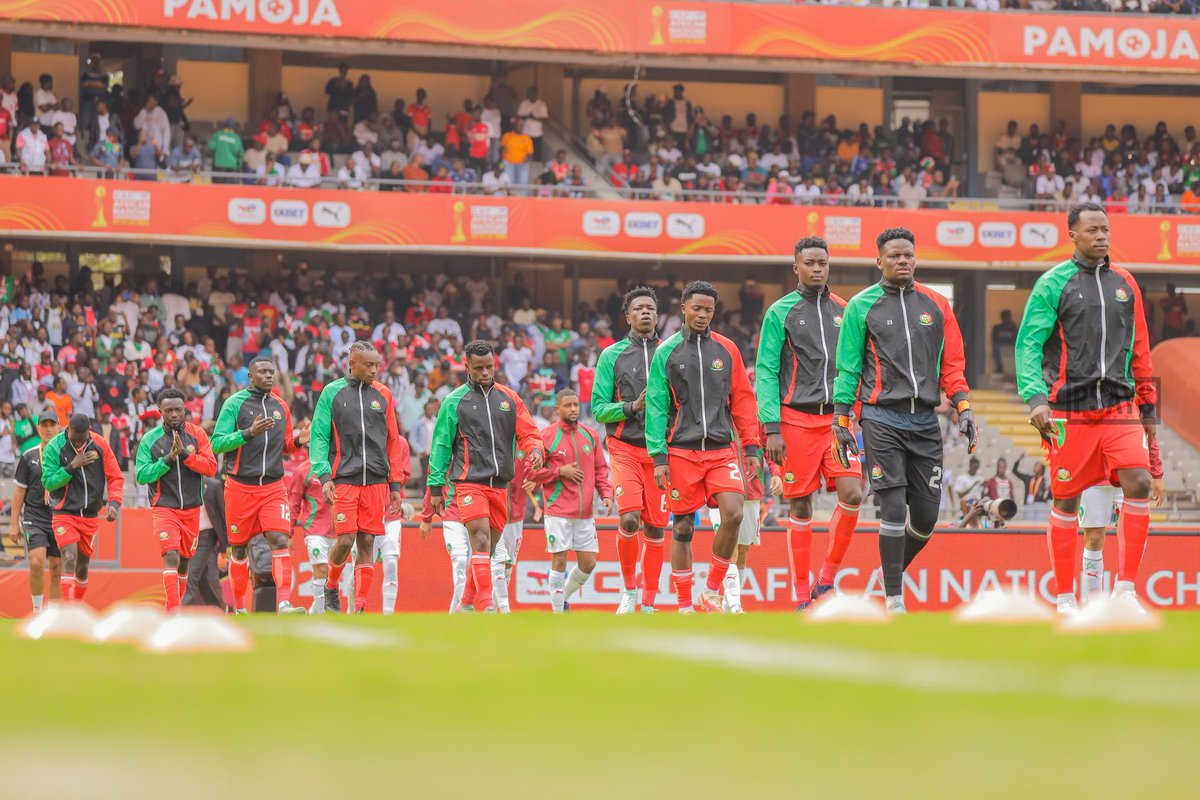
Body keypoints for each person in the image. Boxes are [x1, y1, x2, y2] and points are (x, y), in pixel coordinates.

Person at [1015, 202, 1157, 615]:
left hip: (1119, 407)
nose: (1100, 236)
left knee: (1139, 483)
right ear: (1072, 235)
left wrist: (1148, 406)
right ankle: (1064, 598)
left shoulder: (1126, 283)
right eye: (1092, 230)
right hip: (1069, 411)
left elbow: (1140, 347)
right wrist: (1035, 398)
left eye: (1105, 230)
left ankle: (1125, 590)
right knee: (1065, 500)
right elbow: (1028, 345)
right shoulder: (1052, 284)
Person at [833, 227, 976, 614]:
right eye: (894, 256)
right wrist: (841, 419)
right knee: (894, 509)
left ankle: (888, 573)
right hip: (881, 418)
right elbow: (848, 367)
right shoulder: (861, 306)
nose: (902, 261)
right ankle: (895, 599)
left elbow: (952, 365)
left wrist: (963, 406)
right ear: (879, 261)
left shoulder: (937, 305)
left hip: (926, 421)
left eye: (908, 255)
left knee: (926, 518)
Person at [756, 237, 864, 609]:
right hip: (794, 421)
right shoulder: (779, 312)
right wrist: (771, 427)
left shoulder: (846, 310)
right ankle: (802, 596)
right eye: (810, 263)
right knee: (800, 506)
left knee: (853, 494)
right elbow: (766, 371)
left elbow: (855, 366)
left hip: (836, 421)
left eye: (822, 263)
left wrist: (853, 414)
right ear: (796, 267)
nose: (817, 269)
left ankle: (826, 580)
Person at [646, 281, 761, 613]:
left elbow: (743, 399)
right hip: (681, 452)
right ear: (683, 308)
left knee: (734, 513)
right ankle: (684, 606)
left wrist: (751, 446)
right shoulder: (666, 352)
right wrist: (659, 457)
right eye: (696, 308)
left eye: (708, 310)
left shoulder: (727, 349)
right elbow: (656, 406)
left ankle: (710, 591)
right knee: (683, 528)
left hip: (722, 450)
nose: (702, 315)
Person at [427, 340, 545, 613]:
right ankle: (488, 606)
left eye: (489, 367)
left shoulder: (509, 398)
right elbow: (441, 445)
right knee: (480, 540)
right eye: (478, 368)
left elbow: (528, 432)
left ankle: (466, 603)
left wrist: (535, 450)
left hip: (500, 485)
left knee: (487, 548)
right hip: (469, 483)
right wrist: (435, 486)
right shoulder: (454, 401)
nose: (484, 372)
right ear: (467, 366)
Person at [308, 341, 407, 614]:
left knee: (367, 542)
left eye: (377, 365)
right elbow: (319, 436)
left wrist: (395, 483)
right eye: (368, 365)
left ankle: (360, 607)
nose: (374, 370)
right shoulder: (332, 392)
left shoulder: (383, 394)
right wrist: (324, 476)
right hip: (344, 479)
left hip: (376, 481)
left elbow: (392, 441)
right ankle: (331, 586)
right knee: (345, 539)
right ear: (352, 363)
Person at [211, 355, 310, 614]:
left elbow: (284, 446)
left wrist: (298, 441)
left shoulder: (280, 406)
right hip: (240, 487)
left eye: (271, 372)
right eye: (263, 372)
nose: (268, 376)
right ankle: (240, 609)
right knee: (239, 550)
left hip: (273, 488)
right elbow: (216, 443)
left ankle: (284, 603)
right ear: (251, 376)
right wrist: (248, 433)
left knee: (279, 539)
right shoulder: (234, 404)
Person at [591, 286, 668, 614]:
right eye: (638, 308)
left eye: (650, 307)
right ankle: (629, 592)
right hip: (624, 449)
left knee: (656, 527)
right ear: (628, 316)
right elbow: (598, 409)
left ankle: (648, 602)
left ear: (657, 315)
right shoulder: (611, 355)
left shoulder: (671, 351)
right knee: (630, 519)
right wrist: (631, 407)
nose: (645, 312)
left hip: (661, 453)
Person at [527, 390, 612, 613]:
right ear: (558, 409)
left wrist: (606, 494)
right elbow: (531, 473)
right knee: (559, 561)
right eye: (568, 405)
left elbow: (600, 470)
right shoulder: (546, 436)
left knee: (589, 563)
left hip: (584, 513)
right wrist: (559, 471)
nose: (573, 409)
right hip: (558, 511)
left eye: (575, 404)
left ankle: (562, 597)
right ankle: (557, 614)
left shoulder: (590, 435)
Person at [134, 388, 218, 612]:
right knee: (171, 555)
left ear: (185, 409)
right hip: (165, 508)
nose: (173, 414)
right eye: (168, 410)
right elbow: (141, 475)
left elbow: (211, 467)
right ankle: (174, 613)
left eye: (178, 410)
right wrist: (168, 460)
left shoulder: (198, 434)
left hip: (192, 510)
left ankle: (171, 608)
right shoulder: (150, 439)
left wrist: (185, 455)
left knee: (183, 562)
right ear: (160, 411)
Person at [40, 413, 125, 602]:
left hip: (90, 515)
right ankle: (69, 610)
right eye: (75, 439)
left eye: (82, 439)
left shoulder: (100, 444)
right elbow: (48, 482)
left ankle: (76, 605)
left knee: (83, 567)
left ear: (89, 432)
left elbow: (116, 477)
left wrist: (114, 502)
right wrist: (72, 466)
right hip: (64, 513)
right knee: (69, 558)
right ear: (68, 429)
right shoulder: (54, 446)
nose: (79, 444)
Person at [1077, 440, 1164, 603]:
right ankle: (1095, 603)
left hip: (1128, 471)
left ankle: (1123, 589)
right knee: (1093, 539)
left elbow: (1147, 430)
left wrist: (1157, 472)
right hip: (1092, 469)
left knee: (1135, 534)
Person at [7, 410, 63, 612]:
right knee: (37, 563)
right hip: (35, 517)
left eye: (52, 425)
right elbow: (19, 491)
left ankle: (54, 615)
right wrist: (13, 523)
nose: (48, 429)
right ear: (38, 429)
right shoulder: (29, 456)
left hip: (60, 517)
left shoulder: (67, 455)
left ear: (59, 427)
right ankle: (37, 611)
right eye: (44, 425)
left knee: (56, 567)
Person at [372, 413, 413, 615]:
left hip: (391, 512)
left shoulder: (401, 443)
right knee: (361, 564)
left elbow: (404, 474)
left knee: (390, 562)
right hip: (368, 511)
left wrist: (386, 479)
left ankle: (388, 613)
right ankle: (355, 608)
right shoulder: (366, 438)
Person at [289, 450, 335, 614]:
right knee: (321, 570)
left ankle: (314, 612)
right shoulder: (303, 470)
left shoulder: (341, 466)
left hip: (341, 531)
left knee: (332, 576)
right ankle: (321, 615)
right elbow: (293, 503)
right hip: (315, 529)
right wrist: (289, 532)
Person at [419, 475, 471, 613]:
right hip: (451, 512)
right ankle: (466, 608)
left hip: (475, 514)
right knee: (459, 560)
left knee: (469, 568)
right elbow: (433, 479)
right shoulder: (442, 459)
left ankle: (454, 612)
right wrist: (426, 517)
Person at [991, 309, 1018, 375]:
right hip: (1000, 346)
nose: (1006, 319)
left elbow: (1016, 340)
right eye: (1005, 317)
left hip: (1011, 347)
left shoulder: (1013, 328)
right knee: (996, 347)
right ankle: (1000, 368)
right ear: (1002, 318)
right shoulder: (997, 327)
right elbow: (994, 340)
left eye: (1008, 317)